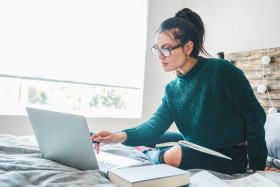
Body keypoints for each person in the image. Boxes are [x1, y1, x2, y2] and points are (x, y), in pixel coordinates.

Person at [91, 8, 267, 175]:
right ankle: (109, 138)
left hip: (229, 156)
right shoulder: (173, 89)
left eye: (166, 48)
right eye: (157, 49)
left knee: (175, 154)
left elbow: (256, 117)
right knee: (154, 137)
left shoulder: (221, 71)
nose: (160, 55)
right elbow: (155, 125)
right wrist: (117, 136)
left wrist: (258, 167)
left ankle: (150, 154)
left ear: (188, 47)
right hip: (195, 144)